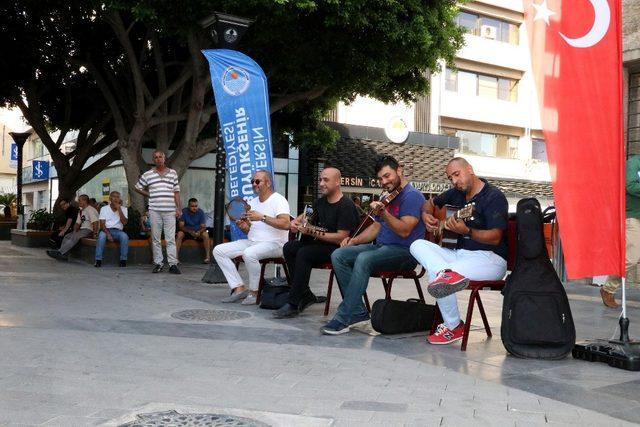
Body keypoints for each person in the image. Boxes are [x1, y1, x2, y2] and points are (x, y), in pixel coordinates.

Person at [321, 155, 425, 335]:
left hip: (405, 253)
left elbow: (405, 230)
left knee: (364, 259)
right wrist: (353, 241)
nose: (384, 182)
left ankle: (344, 316)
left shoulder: (412, 196)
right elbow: (376, 227)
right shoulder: (388, 197)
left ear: (399, 170)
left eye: (387, 176)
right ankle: (358, 313)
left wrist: (384, 213)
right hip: (381, 249)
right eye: (380, 179)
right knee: (339, 255)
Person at [410, 157, 508, 345]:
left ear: (469, 169)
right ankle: (446, 275)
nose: (455, 181)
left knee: (436, 272)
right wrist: (426, 215)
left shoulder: (494, 197)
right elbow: (429, 203)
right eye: (450, 178)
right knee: (417, 245)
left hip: (490, 259)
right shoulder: (456, 193)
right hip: (459, 255)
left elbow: (495, 237)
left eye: (457, 174)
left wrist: (467, 231)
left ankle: (453, 325)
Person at [274, 167, 360, 319]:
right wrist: (295, 223)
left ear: (338, 182)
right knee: (289, 247)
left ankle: (294, 303)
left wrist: (311, 231)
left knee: (305, 253)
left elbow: (341, 238)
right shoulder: (320, 202)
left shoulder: (346, 205)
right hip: (320, 245)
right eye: (320, 179)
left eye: (325, 180)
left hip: (339, 249)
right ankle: (304, 293)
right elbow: (306, 214)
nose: (321, 183)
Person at [212, 170, 291, 305]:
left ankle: (255, 292)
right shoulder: (252, 202)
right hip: (253, 242)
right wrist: (244, 227)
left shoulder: (279, 200)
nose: (254, 184)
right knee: (218, 250)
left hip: (276, 244)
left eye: (257, 181)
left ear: (268, 183)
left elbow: (286, 224)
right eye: (252, 182)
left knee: (249, 254)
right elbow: (251, 230)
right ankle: (239, 287)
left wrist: (262, 217)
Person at [601, 154, 640, 308]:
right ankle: (608, 289)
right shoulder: (633, 163)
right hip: (634, 217)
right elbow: (629, 186)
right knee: (631, 258)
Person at [134, 150, 182, 274]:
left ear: (164, 158)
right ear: (153, 160)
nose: (158, 159)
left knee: (170, 238)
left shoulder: (172, 173)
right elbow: (137, 187)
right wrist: (148, 194)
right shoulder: (148, 174)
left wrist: (179, 208)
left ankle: (173, 264)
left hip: (170, 211)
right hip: (154, 210)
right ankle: (159, 263)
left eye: (160, 157)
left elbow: (176, 192)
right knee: (155, 239)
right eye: (156, 157)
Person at [46, 194, 99, 261]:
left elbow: (95, 222)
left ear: (85, 201)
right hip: (82, 229)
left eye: (79, 200)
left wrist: (95, 233)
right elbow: (77, 223)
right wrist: (74, 230)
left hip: (89, 230)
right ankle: (64, 255)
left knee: (75, 236)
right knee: (67, 236)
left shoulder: (90, 210)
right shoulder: (81, 211)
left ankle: (60, 252)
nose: (78, 202)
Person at [94, 191, 129, 268]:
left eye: (118, 197)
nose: (116, 199)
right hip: (106, 230)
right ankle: (98, 260)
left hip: (118, 231)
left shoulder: (124, 209)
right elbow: (102, 224)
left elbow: (124, 223)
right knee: (101, 236)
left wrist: (119, 209)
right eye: (114, 196)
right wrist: (108, 234)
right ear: (110, 198)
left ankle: (123, 260)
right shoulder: (104, 209)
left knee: (124, 236)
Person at [176, 198, 211, 263]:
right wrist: (189, 231)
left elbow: (203, 227)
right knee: (180, 234)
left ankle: (207, 258)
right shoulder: (184, 211)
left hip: (197, 232)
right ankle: (175, 258)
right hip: (187, 232)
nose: (194, 208)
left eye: (196, 206)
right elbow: (181, 226)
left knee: (206, 234)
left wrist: (199, 232)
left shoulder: (200, 212)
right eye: (192, 206)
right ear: (188, 206)